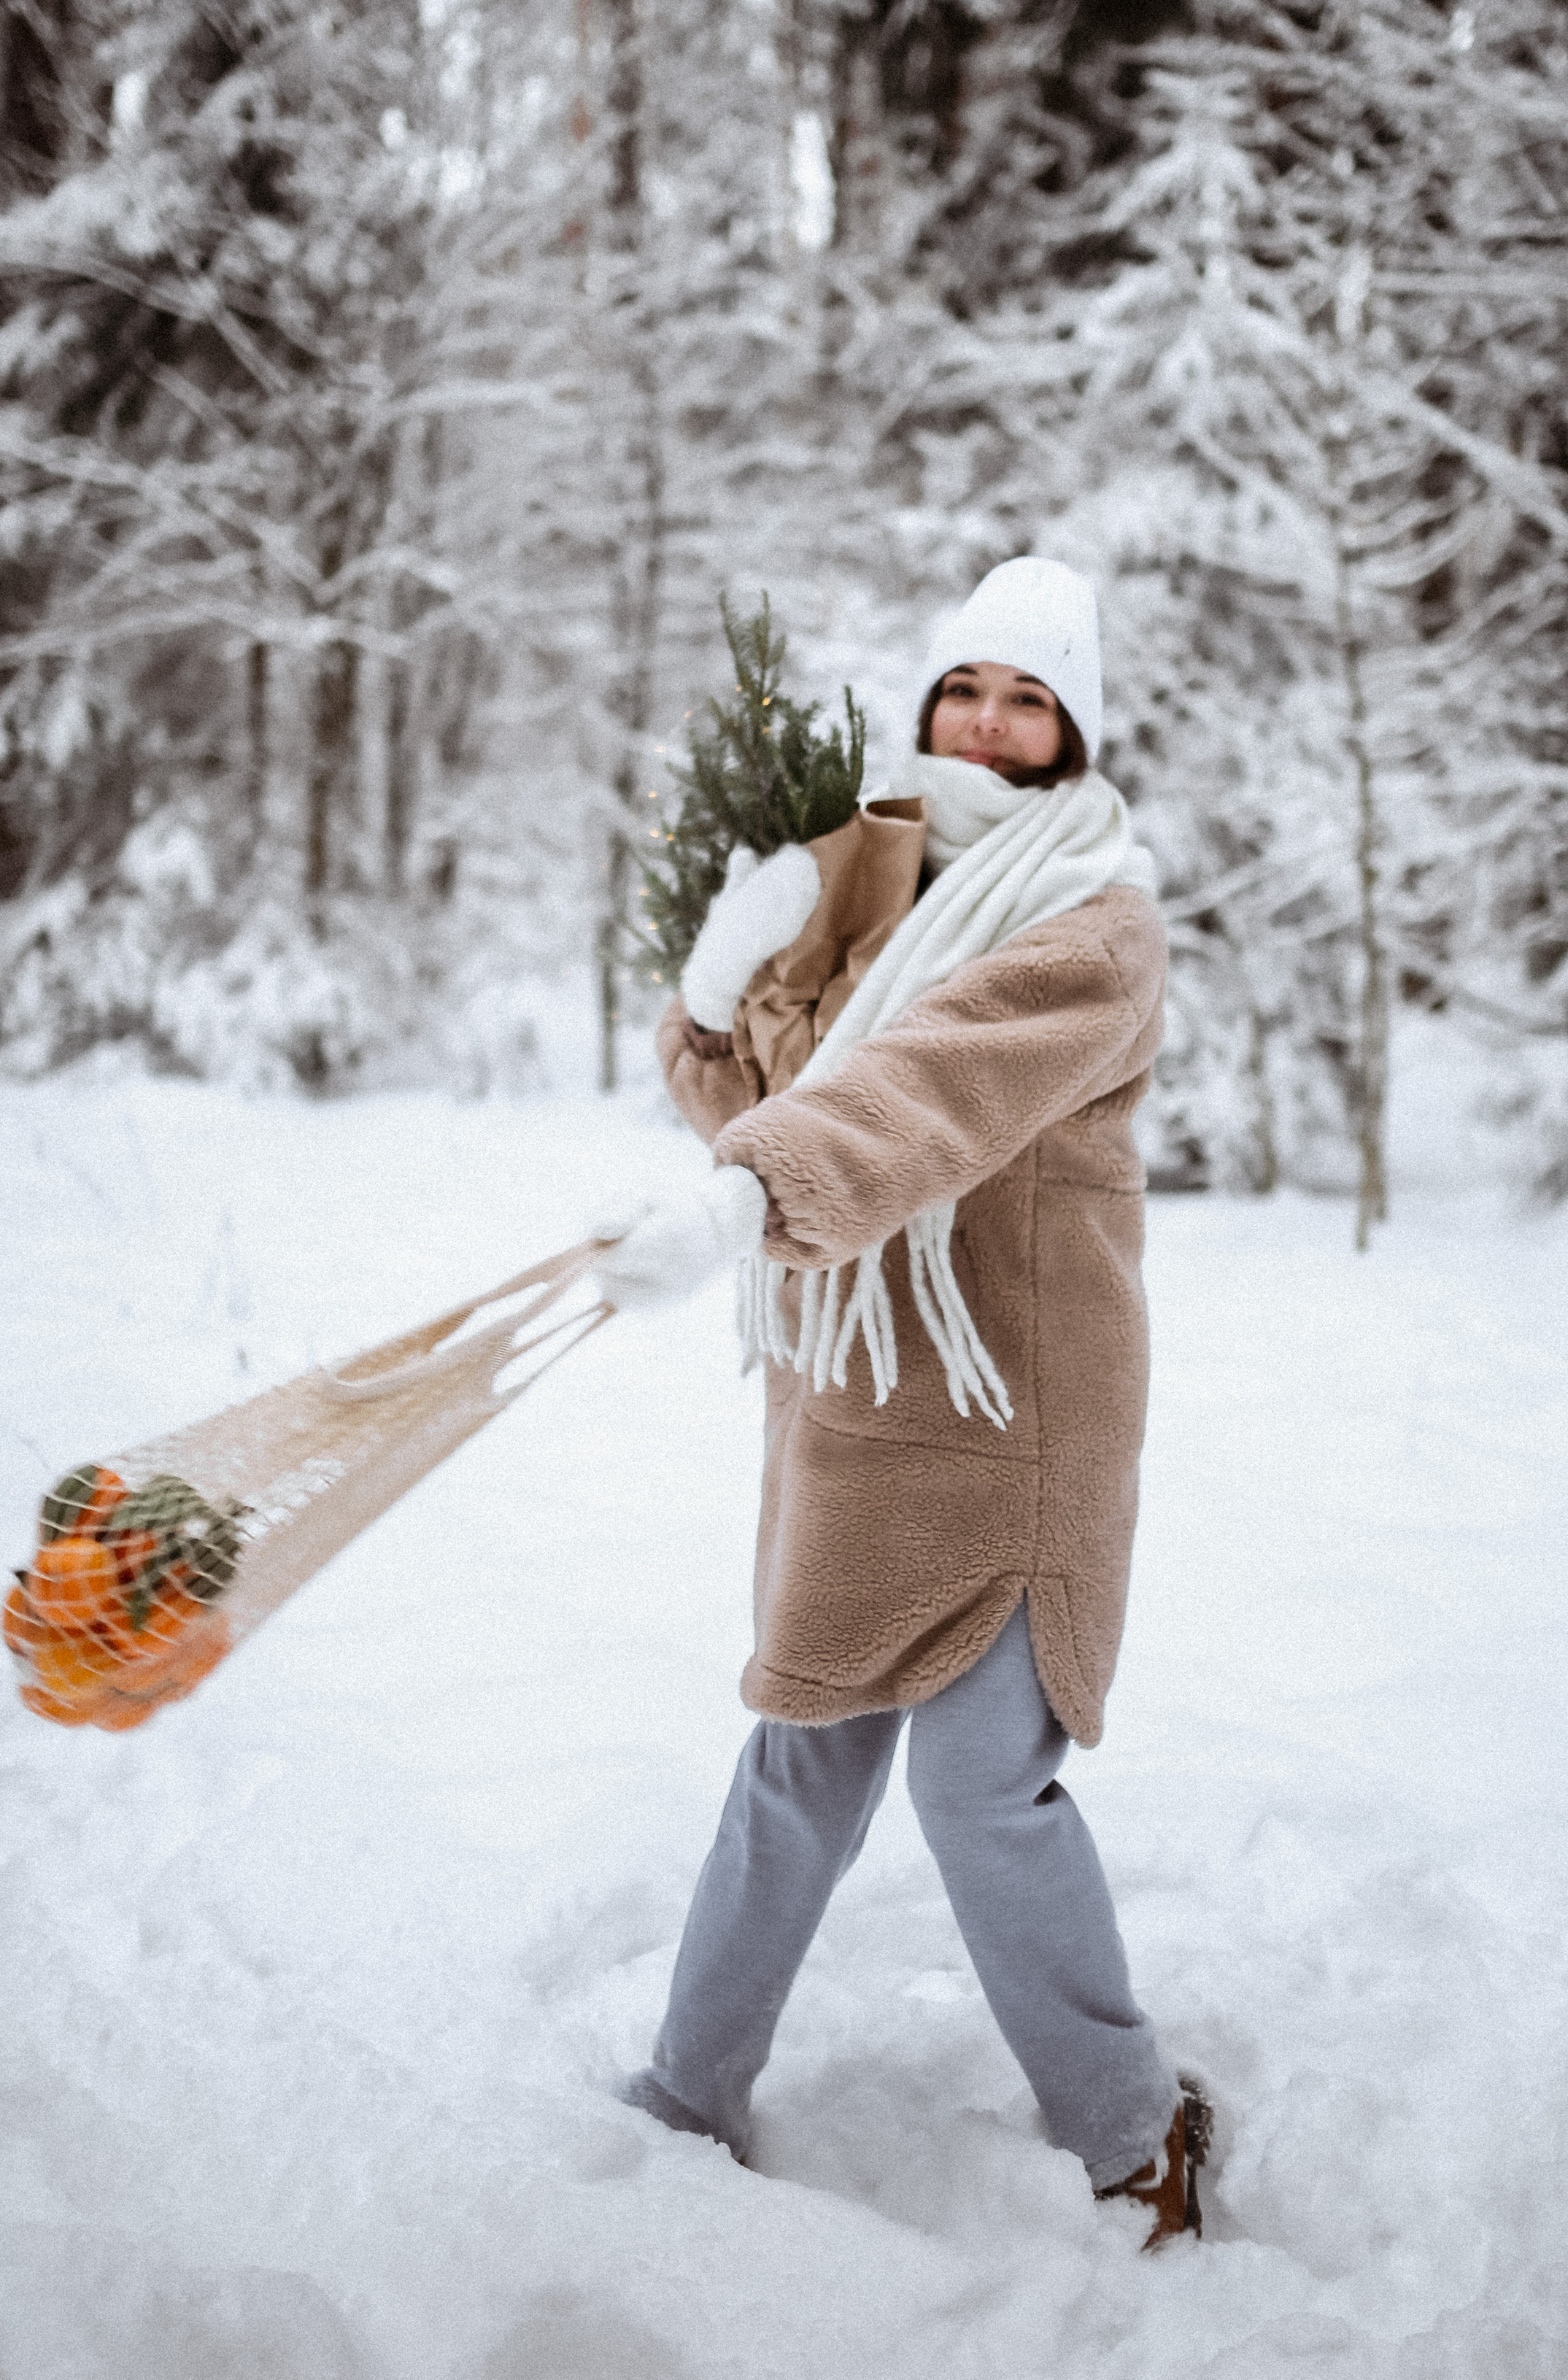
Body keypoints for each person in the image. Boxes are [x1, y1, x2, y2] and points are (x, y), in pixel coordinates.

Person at [592, 557, 1211, 2248]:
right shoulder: (875, 883)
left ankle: (1130, 2124)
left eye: (1029, 697)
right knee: (794, 1763)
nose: (990, 724)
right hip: (860, 1390)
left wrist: (748, 1186)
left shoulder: (1095, 920)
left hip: (1018, 1407)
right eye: (966, 689)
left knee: (975, 1790)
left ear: (1073, 727)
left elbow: (933, 1085)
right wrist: (712, 1005)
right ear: (930, 700)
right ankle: (684, 2094)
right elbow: (788, 1091)